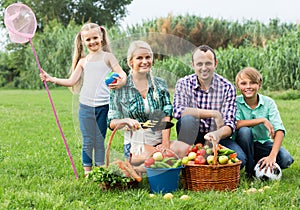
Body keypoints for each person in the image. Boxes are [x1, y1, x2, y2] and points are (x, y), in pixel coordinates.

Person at [40, 23, 127, 176]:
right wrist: (51, 78)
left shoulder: (108, 57)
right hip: (86, 106)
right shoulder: (83, 61)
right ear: (82, 41)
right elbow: (71, 81)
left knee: (100, 140)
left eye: (95, 38)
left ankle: (100, 170)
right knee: (88, 140)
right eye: (88, 39)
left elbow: (122, 73)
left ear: (101, 37)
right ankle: (88, 172)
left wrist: (121, 81)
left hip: (104, 106)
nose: (92, 42)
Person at [108, 40, 190, 172]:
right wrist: (125, 121)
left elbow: (166, 115)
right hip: (136, 145)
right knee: (162, 157)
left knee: (185, 149)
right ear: (131, 62)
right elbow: (112, 122)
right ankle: (139, 166)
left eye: (148, 57)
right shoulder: (120, 88)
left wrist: (165, 143)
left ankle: (139, 168)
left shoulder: (160, 84)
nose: (145, 61)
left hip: (158, 142)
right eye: (139, 58)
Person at [173, 44, 246, 168]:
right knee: (188, 119)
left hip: (218, 137)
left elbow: (230, 124)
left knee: (240, 160)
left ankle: (206, 161)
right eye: (199, 64)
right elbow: (178, 111)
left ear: (215, 63)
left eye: (208, 63)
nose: (204, 68)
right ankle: (186, 160)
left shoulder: (227, 87)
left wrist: (217, 134)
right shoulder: (183, 83)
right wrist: (213, 113)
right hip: (192, 135)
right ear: (193, 65)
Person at [234, 67, 294, 177]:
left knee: (286, 159)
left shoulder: (269, 102)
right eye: (243, 83)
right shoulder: (235, 102)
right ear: (238, 86)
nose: (248, 87)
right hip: (243, 144)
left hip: (262, 143)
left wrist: (272, 155)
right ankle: (250, 170)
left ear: (259, 85)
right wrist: (261, 120)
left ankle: (262, 161)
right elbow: (235, 124)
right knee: (244, 131)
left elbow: (279, 130)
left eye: (252, 83)